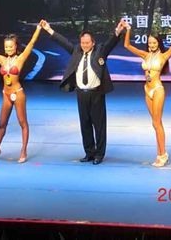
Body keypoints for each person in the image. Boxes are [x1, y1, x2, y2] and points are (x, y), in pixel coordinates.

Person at [40, 19, 125, 165]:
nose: (84, 45)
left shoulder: (100, 51)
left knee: (99, 125)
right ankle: (89, 153)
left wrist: (118, 31)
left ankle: (99, 154)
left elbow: (111, 43)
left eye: (87, 43)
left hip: (96, 93)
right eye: (82, 43)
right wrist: (48, 29)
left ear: (93, 43)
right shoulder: (76, 51)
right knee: (85, 124)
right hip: (81, 93)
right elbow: (63, 41)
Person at [121, 15, 171, 167]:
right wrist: (128, 29)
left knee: (157, 122)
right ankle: (160, 153)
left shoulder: (163, 56)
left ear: (158, 43)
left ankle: (163, 154)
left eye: (154, 42)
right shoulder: (145, 55)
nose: (151, 44)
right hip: (147, 90)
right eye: (150, 42)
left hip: (157, 90)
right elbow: (127, 45)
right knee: (155, 123)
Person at [0, 24, 42, 163]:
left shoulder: (20, 59)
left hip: (18, 93)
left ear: (15, 46)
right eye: (6, 47)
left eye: (11, 46)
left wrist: (38, 29)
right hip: (6, 94)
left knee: (22, 123)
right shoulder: (2, 60)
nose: (8, 49)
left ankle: (23, 150)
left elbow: (31, 43)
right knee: (2, 124)